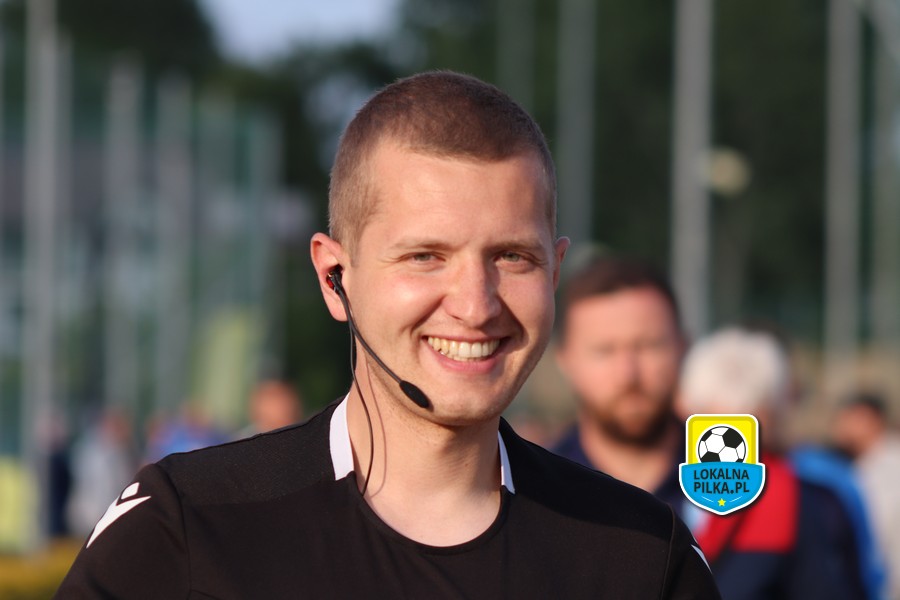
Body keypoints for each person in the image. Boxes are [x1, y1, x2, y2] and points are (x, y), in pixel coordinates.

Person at [55, 71, 719, 598]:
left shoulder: (641, 556)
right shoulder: (188, 528)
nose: (475, 305)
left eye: (512, 257)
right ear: (334, 278)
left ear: (555, 273)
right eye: (425, 256)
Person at [551, 256, 862, 599]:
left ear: (683, 347)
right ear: (564, 360)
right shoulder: (530, 494)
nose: (629, 373)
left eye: (649, 346)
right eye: (604, 351)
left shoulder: (774, 494)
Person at [833, 390, 900, 599]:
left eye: (848, 419)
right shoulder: (862, 466)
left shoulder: (889, 467)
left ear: (870, 419)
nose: (841, 428)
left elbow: (876, 531)